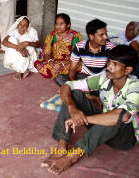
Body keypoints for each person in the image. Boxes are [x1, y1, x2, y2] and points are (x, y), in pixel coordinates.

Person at [41, 45, 139, 175]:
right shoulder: (104, 77)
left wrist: (83, 119)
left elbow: (124, 116)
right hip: (102, 127)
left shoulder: (135, 87)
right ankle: (62, 147)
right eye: (109, 62)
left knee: (115, 117)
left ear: (127, 70)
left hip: (124, 138)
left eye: (115, 64)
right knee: (75, 94)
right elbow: (67, 86)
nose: (109, 66)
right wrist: (72, 108)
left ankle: (72, 157)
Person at [55, 19, 115, 86]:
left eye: (106, 33)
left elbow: (113, 72)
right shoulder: (79, 47)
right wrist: (76, 84)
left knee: (110, 84)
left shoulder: (111, 48)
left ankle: (80, 91)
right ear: (91, 36)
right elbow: (72, 69)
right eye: (101, 35)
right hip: (85, 77)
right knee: (59, 78)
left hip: (101, 79)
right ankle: (81, 90)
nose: (106, 37)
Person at [34, 13, 82, 79]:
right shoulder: (51, 35)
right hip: (54, 61)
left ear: (68, 25)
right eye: (56, 23)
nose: (58, 26)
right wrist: (52, 63)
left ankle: (57, 73)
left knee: (76, 66)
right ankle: (59, 73)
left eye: (61, 24)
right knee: (37, 62)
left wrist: (62, 64)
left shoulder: (75, 36)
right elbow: (47, 53)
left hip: (69, 62)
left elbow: (76, 56)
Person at [2, 16, 41, 80]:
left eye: (25, 25)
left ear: (28, 26)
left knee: (28, 39)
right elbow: (4, 42)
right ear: (17, 25)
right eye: (20, 25)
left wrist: (27, 43)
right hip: (19, 51)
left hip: (29, 54)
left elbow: (38, 44)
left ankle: (19, 71)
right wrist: (20, 48)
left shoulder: (32, 31)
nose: (22, 27)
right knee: (12, 39)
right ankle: (25, 68)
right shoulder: (14, 31)